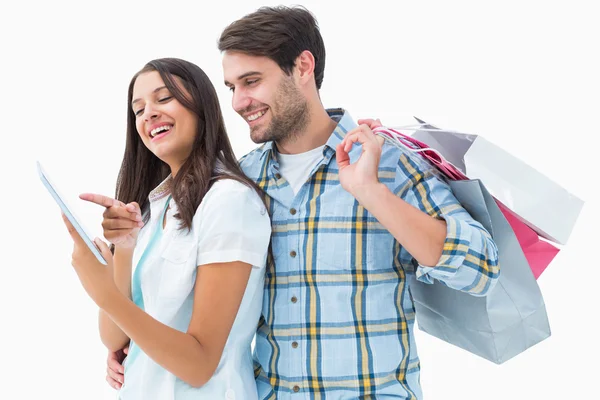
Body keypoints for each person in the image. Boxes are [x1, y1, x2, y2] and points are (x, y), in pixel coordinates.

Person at [105, 6, 500, 399]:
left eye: (252, 81)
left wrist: (372, 193)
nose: (239, 102)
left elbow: (481, 270)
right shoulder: (241, 183)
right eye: (232, 87)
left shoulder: (387, 162)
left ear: (303, 66)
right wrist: (136, 350)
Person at [62, 58, 271, 399]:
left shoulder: (229, 201)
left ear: (201, 106)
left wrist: (103, 292)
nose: (148, 114)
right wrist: (124, 250)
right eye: (139, 109)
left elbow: (200, 364)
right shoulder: (154, 206)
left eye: (163, 98)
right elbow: (115, 338)